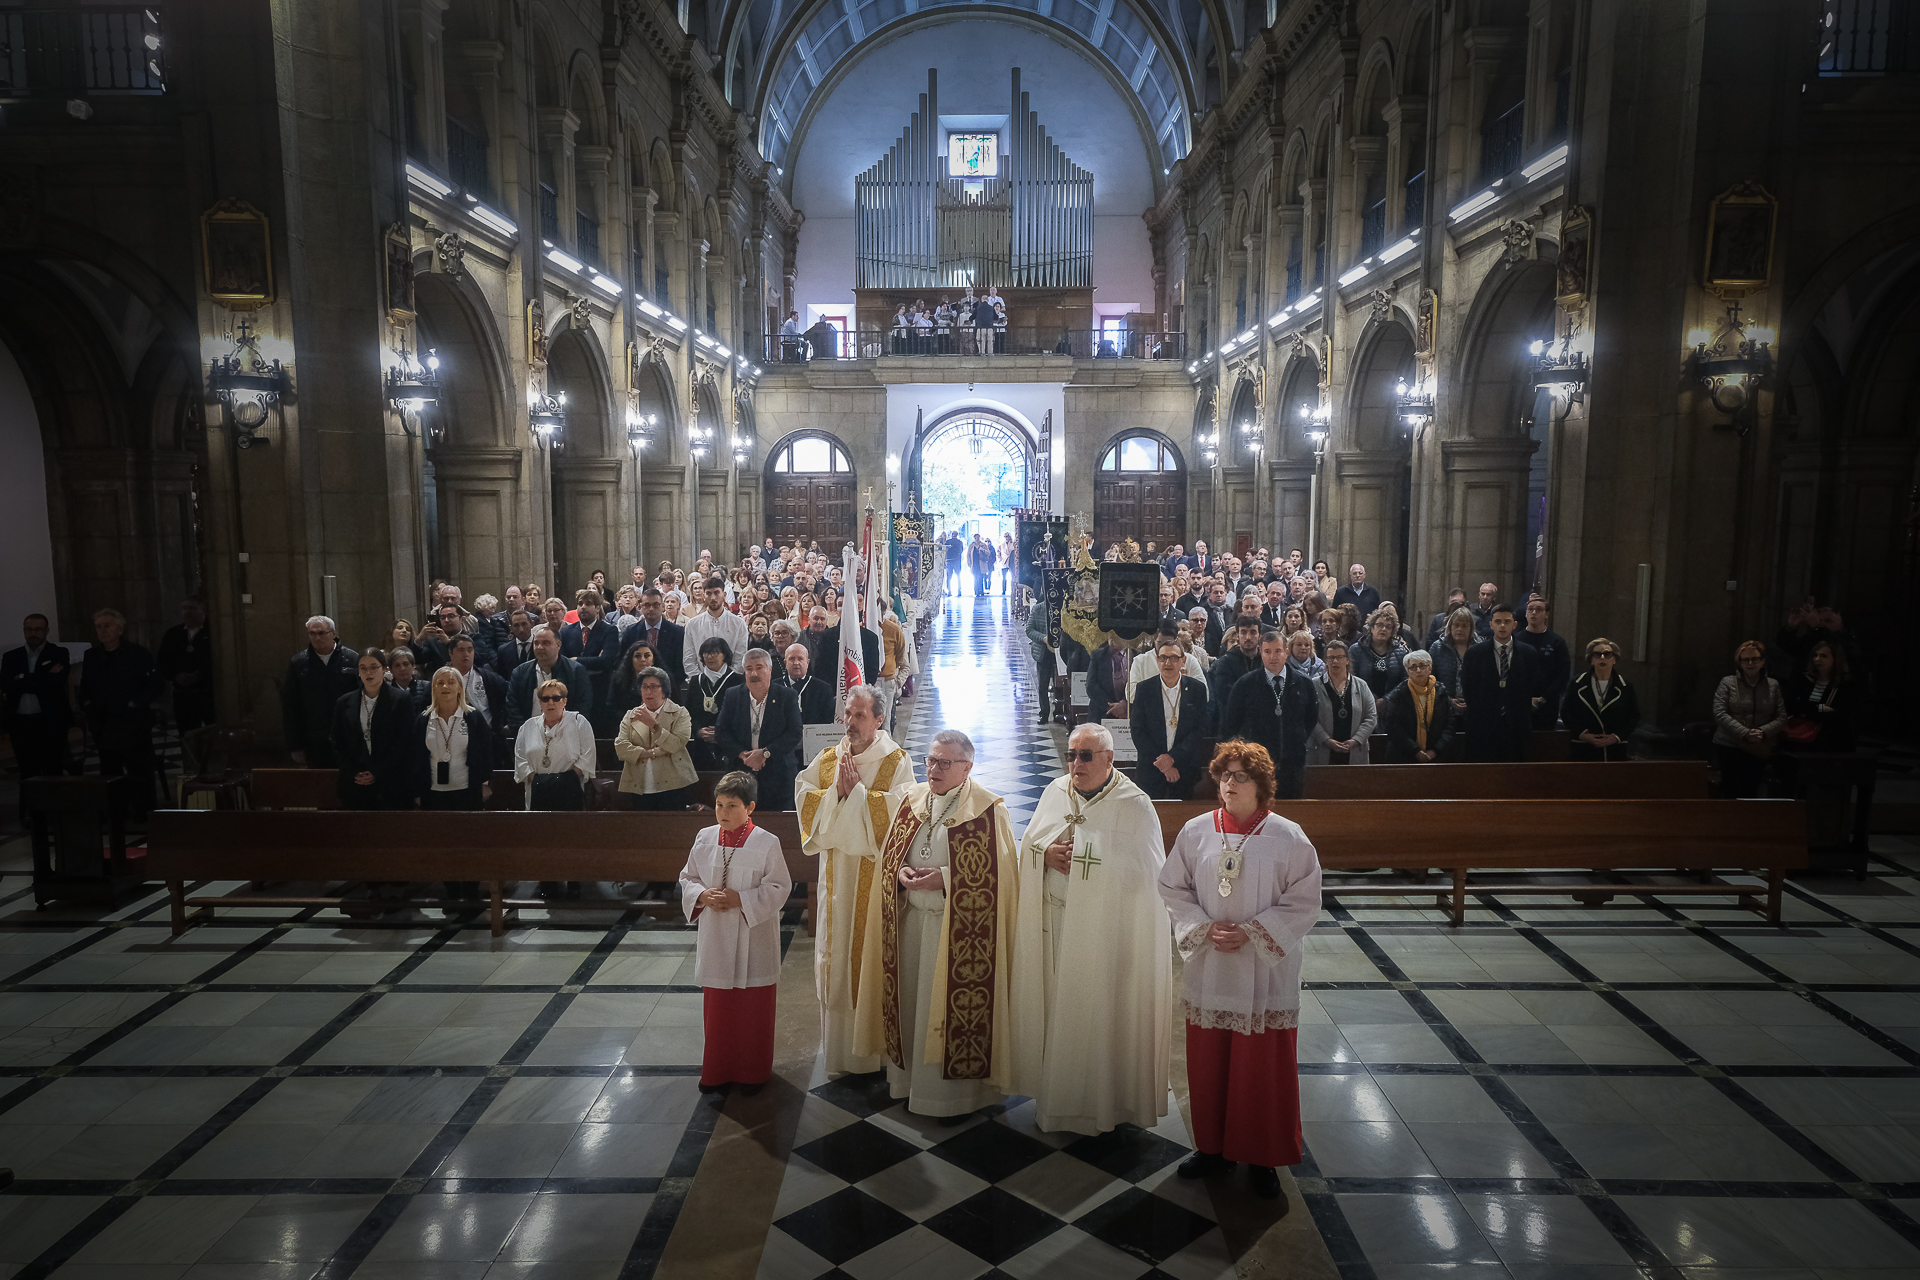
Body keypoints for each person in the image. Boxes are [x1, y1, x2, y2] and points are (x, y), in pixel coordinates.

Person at [1160, 741, 1319, 1200]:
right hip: (1210, 967)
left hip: (1265, 972)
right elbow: (1172, 886)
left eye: (1240, 776)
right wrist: (1202, 927)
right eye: (1224, 775)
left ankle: (1262, 1155)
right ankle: (1212, 1150)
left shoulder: (1288, 836)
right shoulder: (1196, 832)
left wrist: (1253, 932)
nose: (1230, 784)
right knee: (1209, 1062)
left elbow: (1305, 901)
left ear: (1261, 784)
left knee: (1262, 1068)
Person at [842, 729, 1019, 1121]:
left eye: (944, 763)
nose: (934, 769)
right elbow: (891, 855)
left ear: (967, 767)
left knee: (945, 1013)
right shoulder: (912, 800)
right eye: (930, 760)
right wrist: (900, 874)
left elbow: (1002, 877)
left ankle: (953, 1098)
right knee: (911, 1004)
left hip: (954, 933)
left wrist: (947, 877)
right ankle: (907, 1085)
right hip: (910, 925)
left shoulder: (988, 810)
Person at [1011, 723, 1171, 1134]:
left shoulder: (1134, 805)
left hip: (1106, 935)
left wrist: (1087, 857)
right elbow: (1029, 844)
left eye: (1086, 755)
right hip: (1057, 924)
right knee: (1057, 1014)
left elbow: (1148, 876)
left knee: (1099, 1017)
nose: (1075, 764)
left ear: (1109, 758)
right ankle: (1055, 1100)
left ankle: (1105, 1105)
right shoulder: (1055, 791)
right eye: (1071, 754)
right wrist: (1044, 855)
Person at [796, 685, 912, 1075]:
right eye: (848, 713)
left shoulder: (896, 762)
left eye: (860, 715)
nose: (851, 722)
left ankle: (871, 1056)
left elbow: (902, 812)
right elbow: (803, 793)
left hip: (872, 875)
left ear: (879, 719)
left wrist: (856, 795)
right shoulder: (829, 759)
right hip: (835, 876)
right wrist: (835, 796)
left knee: (868, 956)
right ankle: (838, 1053)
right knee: (835, 953)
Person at [681, 770, 791, 1094]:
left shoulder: (767, 842)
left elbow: (780, 886)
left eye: (732, 806)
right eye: (718, 805)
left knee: (752, 1009)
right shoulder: (703, 838)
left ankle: (752, 1074)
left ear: (750, 807)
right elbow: (687, 877)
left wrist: (740, 899)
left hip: (753, 935)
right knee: (719, 1009)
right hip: (716, 934)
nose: (723, 813)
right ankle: (716, 1072)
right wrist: (701, 896)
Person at [414, 667, 493, 908]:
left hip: (466, 789)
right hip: (434, 792)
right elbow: (416, 757)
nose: (446, 687)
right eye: (440, 683)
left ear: (460, 688)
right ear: (433, 688)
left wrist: (485, 783)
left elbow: (486, 753)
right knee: (442, 843)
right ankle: (450, 889)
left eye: (451, 682)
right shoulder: (423, 719)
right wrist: (417, 790)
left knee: (469, 842)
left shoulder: (473, 717)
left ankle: (470, 889)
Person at [1223, 628, 1318, 800]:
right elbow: (1231, 724)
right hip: (1255, 765)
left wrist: (1297, 739)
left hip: (1293, 763)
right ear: (1260, 652)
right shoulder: (1245, 685)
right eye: (1267, 651)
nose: (1273, 657)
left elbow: (1310, 718)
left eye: (1277, 651)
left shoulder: (1303, 683)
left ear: (1286, 652)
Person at [78, 609, 157, 815]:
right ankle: (115, 809)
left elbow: (154, 685)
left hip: (132, 721)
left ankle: (142, 809)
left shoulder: (137, 653)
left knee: (138, 767)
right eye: (98, 626)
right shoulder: (92, 655)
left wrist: (135, 703)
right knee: (109, 768)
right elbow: (85, 686)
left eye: (107, 625)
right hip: (104, 721)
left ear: (120, 629)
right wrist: (87, 706)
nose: (102, 630)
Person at [715, 648, 804, 810]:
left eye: (759, 667)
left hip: (779, 773)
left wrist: (765, 753)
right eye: (749, 669)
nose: (754, 673)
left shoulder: (787, 696)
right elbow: (722, 731)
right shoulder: (733, 695)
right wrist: (743, 755)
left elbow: (794, 732)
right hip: (740, 772)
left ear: (770, 669)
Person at [1458, 604, 1542, 762]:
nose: (1502, 625)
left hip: (1516, 723)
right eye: (1497, 621)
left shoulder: (1528, 653)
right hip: (1483, 723)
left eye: (1507, 621)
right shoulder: (1474, 654)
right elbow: (1468, 687)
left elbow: (1532, 684)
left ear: (1514, 624)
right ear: (1491, 624)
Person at [330, 648, 412, 809]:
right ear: (358, 672)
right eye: (363, 668)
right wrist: (354, 771)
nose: (369, 672)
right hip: (355, 782)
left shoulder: (401, 700)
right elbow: (336, 740)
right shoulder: (344, 702)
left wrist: (377, 772)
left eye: (374, 667)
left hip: (390, 782)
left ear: (384, 669)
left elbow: (404, 741)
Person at [1130, 639, 1210, 799]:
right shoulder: (1144, 689)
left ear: (1183, 661)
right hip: (1151, 769)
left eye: (1174, 658)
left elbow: (1199, 728)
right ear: (1157, 660)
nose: (1167, 662)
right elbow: (1138, 730)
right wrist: (1163, 765)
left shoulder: (1197, 689)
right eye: (1162, 658)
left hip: (1184, 767)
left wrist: (1173, 758)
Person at [3, 613, 72, 794]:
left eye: (38, 629)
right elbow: (7, 685)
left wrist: (22, 679)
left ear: (46, 631)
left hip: (49, 721)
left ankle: (54, 810)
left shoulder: (59, 653)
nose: (33, 633)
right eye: (29, 629)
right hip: (20, 722)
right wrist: (44, 676)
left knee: (52, 769)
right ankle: (33, 814)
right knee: (27, 771)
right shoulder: (11, 657)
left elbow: (55, 683)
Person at [1712, 641, 1786, 798]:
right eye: (1745, 659)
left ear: (1763, 661)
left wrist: (1762, 732)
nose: (1750, 663)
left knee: (1751, 789)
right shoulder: (1728, 682)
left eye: (1755, 659)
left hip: (1759, 745)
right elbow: (1719, 712)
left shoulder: (1773, 685)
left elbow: (1781, 716)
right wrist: (1744, 733)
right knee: (1730, 790)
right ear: (1740, 662)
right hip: (1730, 744)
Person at [615, 666, 695, 810]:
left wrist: (653, 725)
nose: (648, 691)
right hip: (640, 783)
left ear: (664, 691)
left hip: (673, 784)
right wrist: (650, 753)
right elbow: (621, 747)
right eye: (644, 687)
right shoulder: (630, 715)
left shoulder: (680, 713)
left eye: (653, 687)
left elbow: (677, 744)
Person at [283, 616, 359, 766]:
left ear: (334, 633)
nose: (317, 637)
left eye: (322, 633)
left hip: (347, 736)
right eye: (312, 633)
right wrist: (295, 745)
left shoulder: (353, 659)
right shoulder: (298, 663)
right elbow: (290, 705)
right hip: (313, 738)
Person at [514, 677, 596, 811]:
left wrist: (562, 781)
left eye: (556, 698)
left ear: (564, 701)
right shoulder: (527, 727)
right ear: (540, 702)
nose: (550, 702)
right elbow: (520, 760)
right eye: (545, 699)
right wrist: (538, 781)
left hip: (570, 791)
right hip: (537, 792)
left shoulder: (579, 723)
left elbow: (587, 758)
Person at [505, 626, 592, 737]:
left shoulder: (576, 670)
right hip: (529, 734)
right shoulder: (520, 672)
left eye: (546, 643)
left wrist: (563, 731)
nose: (540, 647)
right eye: (536, 643)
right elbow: (512, 707)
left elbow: (583, 706)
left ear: (558, 645)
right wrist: (526, 732)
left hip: (565, 734)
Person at [1562, 638, 1638, 762]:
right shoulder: (1577, 683)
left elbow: (1634, 716)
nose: (1602, 657)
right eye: (1597, 654)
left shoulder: (1625, 686)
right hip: (1584, 746)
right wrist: (1583, 735)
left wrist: (1616, 737)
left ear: (1614, 659)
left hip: (1614, 748)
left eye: (1607, 654)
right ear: (1591, 660)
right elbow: (1566, 712)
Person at [1309, 640, 1378, 765]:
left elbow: (1371, 717)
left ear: (1347, 660)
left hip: (1355, 751)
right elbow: (1309, 717)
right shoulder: (1314, 685)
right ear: (1325, 661)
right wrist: (1326, 740)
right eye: (1331, 657)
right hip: (1323, 750)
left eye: (1339, 657)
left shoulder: (1361, 685)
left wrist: (1356, 740)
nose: (1335, 661)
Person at [1380, 651, 1455, 762]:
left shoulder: (1441, 693)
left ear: (1430, 668)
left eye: (1422, 665)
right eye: (1413, 667)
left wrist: (1435, 751)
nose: (1418, 670)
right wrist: (1415, 751)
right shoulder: (1398, 694)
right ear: (1408, 672)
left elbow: (1450, 725)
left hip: (1437, 755)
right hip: (1403, 755)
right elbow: (1393, 727)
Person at [1785, 639, 1857, 753]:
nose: (1817, 659)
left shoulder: (1845, 684)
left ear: (1835, 658)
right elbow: (1792, 704)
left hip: (1830, 738)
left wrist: (1812, 708)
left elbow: (1842, 713)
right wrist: (1821, 708)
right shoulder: (1804, 679)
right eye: (1815, 655)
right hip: (1801, 734)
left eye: (1823, 656)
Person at [156, 597, 214, 732]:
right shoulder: (173, 634)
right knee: (187, 734)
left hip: (207, 694)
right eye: (184, 608)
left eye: (192, 608)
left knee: (213, 733)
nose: (187, 612)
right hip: (183, 696)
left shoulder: (212, 632)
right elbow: (162, 661)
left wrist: (200, 675)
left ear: (203, 610)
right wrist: (176, 676)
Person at [686, 637, 742, 770]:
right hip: (701, 746)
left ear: (725, 655)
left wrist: (721, 734)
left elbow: (742, 716)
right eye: (706, 653)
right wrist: (698, 731)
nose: (710, 656)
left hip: (730, 746)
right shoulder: (696, 681)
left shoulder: (738, 680)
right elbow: (688, 713)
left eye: (715, 652)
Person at [1515, 598, 1571, 730]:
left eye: (1539, 609)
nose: (1534, 612)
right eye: (1530, 609)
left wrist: (1544, 698)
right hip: (1518, 703)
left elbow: (1563, 675)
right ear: (1525, 613)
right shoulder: (1515, 640)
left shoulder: (1557, 642)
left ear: (1546, 614)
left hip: (1547, 705)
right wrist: (1524, 698)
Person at [682, 575, 748, 682]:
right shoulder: (693, 624)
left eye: (717, 592)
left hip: (730, 684)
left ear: (724, 595)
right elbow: (689, 659)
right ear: (704, 596)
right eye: (708, 593)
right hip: (701, 683)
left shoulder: (738, 623)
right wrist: (701, 681)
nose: (713, 597)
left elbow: (740, 659)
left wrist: (728, 680)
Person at [622, 586, 686, 679]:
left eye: (656, 605)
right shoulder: (631, 632)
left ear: (662, 606)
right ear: (640, 607)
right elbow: (624, 664)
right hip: (637, 687)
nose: (651, 609)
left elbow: (681, 667)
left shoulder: (678, 632)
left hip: (668, 686)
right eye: (647, 605)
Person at [601, 643, 659, 736]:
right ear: (631, 660)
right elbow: (611, 709)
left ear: (653, 660)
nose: (642, 659)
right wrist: (633, 716)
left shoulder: (665, 681)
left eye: (647, 656)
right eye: (637, 656)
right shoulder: (619, 680)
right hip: (627, 729)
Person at [1350, 608, 1408, 700]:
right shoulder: (1356, 650)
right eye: (1379, 625)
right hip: (1362, 702)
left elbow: (1405, 680)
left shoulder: (1401, 651)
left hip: (1393, 704)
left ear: (1392, 631)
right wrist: (1370, 697)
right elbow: (1351, 678)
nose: (1383, 629)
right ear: (1372, 628)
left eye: (1388, 627)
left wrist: (1387, 700)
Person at [779, 643, 835, 723]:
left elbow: (828, 721)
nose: (796, 663)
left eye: (800, 659)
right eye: (791, 659)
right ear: (785, 663)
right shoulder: (774, 688)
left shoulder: (823, 689)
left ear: (807, 663)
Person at [1085, 635, 1132, 720]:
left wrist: (1125, 704)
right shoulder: (1097, 655)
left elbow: (1140, 684)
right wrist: (1112, 708)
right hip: (1102, 714)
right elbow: (1090, 686)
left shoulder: (1137, 656)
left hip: (1130, 714)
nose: (1112, 637)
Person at [493, 608, 536, 678]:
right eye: (516, 625)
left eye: (524, 624)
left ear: (532, 624)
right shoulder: (504, 651)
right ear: (511, 628)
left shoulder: (542, 647)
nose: (521, 630)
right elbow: (501, 678)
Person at [387, 646, 430, 712]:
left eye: (406, 664)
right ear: (391, 670)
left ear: (413, 666)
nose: (402, 668)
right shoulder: (386, 692)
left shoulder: (428, 687)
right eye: (397, 665)